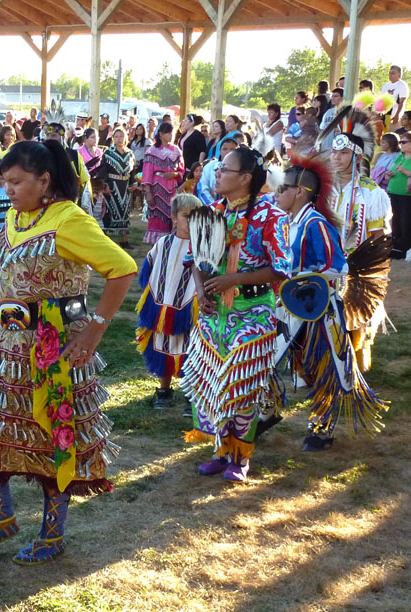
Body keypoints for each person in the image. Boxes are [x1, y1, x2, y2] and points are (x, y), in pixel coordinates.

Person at [0, 139, 135, 564]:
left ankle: (52, 534)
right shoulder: (13, 216)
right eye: (5, 182)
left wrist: (95, 331)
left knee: (54, 438)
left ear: (44, 180)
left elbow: (121, 269)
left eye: (16, 182)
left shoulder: (69, 220)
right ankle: (0, 518)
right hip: (6, 347)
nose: (7, 189)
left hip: (56, 349)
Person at [182, 146, 291, 482]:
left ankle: (241, 458)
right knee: (215, 383)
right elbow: (196, 259)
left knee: (241, 384)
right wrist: (201, 290)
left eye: (224, 169)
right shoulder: (211, 211)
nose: (216, 173)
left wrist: (234, 279)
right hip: (214, 313)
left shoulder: (271, 217)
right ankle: (222, 450)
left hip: (253, 312)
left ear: (245, 178)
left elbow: (281, 268)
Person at [274, 155, 387, 452]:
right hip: (290, 306)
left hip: (318, 310)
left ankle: (322, 426)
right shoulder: (287, 221)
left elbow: (338, 267)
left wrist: (303, 277)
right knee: (283, 359)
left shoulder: (316, 224)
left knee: (321, 367)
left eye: (281, 189)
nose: (276, 194)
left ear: (300, 191)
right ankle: (268, 410)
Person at [326, 106, 393, 369]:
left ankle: (353, 362)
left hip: (357, 264)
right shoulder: (323, 189)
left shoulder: (372, 193)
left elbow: (378, 237)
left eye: (343, 153)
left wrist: (371, 269)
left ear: (357, 157)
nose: (337, 157)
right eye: (334, 151)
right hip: (324, 263)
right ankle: (323, 360)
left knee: (354, 315)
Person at [136, 193, 202, 410]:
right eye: (186, 216)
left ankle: (190, 395)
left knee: (191, 349)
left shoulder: (202, 249)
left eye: (196, 217)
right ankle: (163, 390)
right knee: (161, 346)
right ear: (174, 218)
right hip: (161, 307)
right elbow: (148, 272)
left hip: (189, 310)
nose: (191, 221)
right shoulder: (163, 243)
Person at [142, 122, 184, 243]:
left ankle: (170, 242)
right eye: (168, 132)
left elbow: (181, 170)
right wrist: (148, 191)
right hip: (157, 188)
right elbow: (147, 173)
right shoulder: (152, 151)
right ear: (161, 134)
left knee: (173, 214)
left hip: (172, 188)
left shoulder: (176, 151)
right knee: (157, 217)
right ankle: (156, 246)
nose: (171, 135)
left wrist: (175, 174)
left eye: (172, 132)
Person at [98, 126, 137, 246]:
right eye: (117, 136)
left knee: (125, 211)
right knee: (110, 211)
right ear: (113, 138)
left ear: (125, 137)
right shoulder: (109, 153)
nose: (119, 139)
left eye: (121, 136)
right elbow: (103, 170)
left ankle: (124, 240)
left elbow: (132, 171)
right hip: (112, 185)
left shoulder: (130, 154)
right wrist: (105, 185)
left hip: (125, 186)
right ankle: (106, 241)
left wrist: (133, 183)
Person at [388, 131, 411, 257]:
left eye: (404, 142)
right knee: (395, 220)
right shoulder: (399, 157)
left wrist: (404, 170)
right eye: (400, 142)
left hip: (406, 196)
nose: (401, 144)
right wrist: (388, 175)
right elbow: (391, 171)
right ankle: (395, 246)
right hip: (393, 192)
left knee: (405, 221)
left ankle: (405, 248)